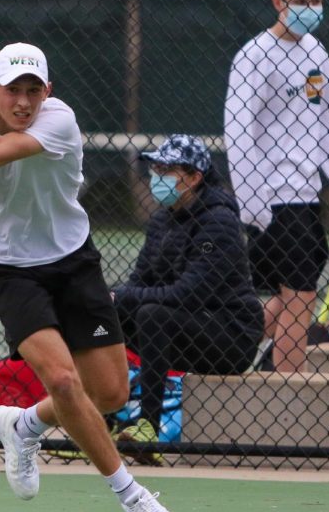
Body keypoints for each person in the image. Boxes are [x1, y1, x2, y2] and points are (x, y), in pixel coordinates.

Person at [0, 43, 186, 512]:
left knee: (110, 393)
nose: (23, 102)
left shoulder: (57, 122)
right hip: (10, 271)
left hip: (73, 261)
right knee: (64, 382)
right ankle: (138, 501)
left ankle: (23, 426)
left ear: (48, 92)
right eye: (13, 91)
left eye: (33, 91)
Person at [224, 0, 329, 373]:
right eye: (301, 2)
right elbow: (238, 132)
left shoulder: (317, 53)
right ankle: (286, 398)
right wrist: (254, 207)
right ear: (278, 2)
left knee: (291, 297)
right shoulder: (254, 57)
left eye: (316, 1)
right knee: (300, 298)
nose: (311, 9)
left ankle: (218, 352)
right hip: (272, 202)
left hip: (306, 199)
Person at [112, 135, 264, 465]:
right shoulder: (161, 220)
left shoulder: (219, 222)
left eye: (167, 169)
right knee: (102, 316)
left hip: (229, 336)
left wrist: (126, 295)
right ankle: (101, 423)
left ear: (194, 178)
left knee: (153, 313)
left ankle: (147, 430)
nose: (156, 175)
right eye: (155, 167)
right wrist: (113, 300)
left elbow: (188, 294)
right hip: (183, 328)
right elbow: (140, 282)